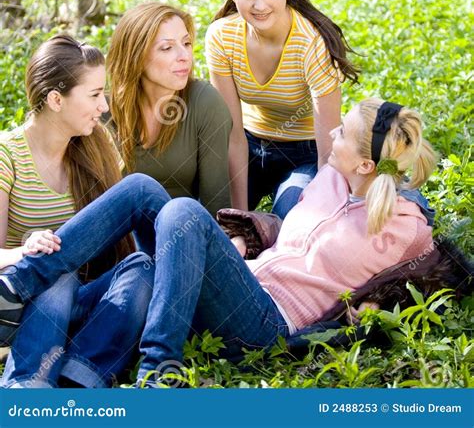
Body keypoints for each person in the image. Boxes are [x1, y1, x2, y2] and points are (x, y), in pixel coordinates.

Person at [0, 98, 436, 388]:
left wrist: (376, 307)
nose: (332, 136)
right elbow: (286, 231)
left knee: (183, 213)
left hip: (267, 326)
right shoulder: (329, 180)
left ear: (365, 161)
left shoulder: (405, 226)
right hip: (242, 286)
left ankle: (157, 371)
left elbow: (429, 278)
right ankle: (18, 283)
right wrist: (249, 238)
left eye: (341, 133)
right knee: (140, 188)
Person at [0, 35, 155, 388]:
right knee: (58, 271)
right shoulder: (7, 156)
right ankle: (27, 384)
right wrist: (24, 252)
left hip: (77, 307)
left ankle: (78, 376)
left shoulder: (94, 146)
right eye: (95, 94)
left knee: (142, 267)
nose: (104, 106)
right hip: (19, 309)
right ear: (56, 99)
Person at [205, 0, 359, 217]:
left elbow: (328, 144)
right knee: (210, 212)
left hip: (305, 152)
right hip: (249, 145)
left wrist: (321, 208)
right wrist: (239, 217)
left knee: (289, 216)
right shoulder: (221, 36)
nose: (260, 5)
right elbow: (233, 134)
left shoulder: (311, 42)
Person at [106, 2, 232, 217]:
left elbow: (216, 203)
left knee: (177, 210)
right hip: (120, 239)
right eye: (167, 48)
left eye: (187, 43)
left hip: (181, 234)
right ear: (135, 56)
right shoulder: (102, 111)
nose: (184, 56)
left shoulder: (204, 101)